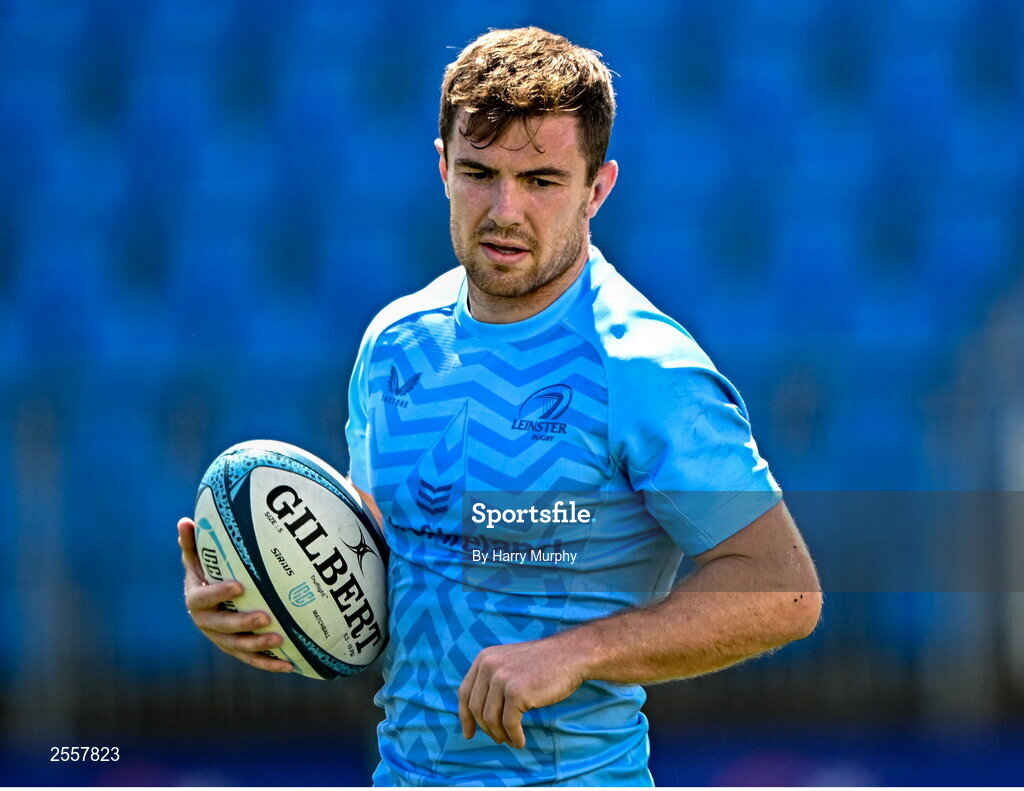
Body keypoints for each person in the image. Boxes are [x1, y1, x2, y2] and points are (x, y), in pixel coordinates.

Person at [178, 26, 821, 786]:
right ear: (442, 166)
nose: (504, 210)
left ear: (597, 188)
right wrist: (259, 593)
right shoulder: (394, 343)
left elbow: (783, 588)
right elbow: (396, 556)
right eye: (480, 172)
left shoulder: (645, 367)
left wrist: (577, 652)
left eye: (542, 180)